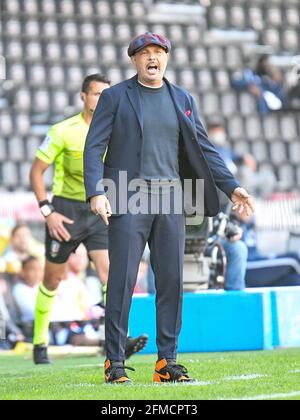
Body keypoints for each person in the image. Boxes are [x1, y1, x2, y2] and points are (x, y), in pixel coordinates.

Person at [84, 32, 254, 384]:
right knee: (123, 280)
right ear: (133, 60)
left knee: (172, 281)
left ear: (167, 59)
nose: (152, 57)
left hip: (171, 197)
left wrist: (232, 186)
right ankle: (114, 362)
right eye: (144, 52)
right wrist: (95, 192)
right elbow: (94, 145)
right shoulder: (115, 97)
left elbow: (205, 148)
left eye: (158, 52)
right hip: (127, 194)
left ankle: (166, 362)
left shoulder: (182, 98)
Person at [30, 74, 112, 364]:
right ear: (83, 97)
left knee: (109, 274)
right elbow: (36, 172)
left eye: (106, 94)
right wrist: (47, 211)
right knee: (53, 278)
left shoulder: (115, 131)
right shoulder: (63, 130)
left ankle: (113, 341)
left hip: (97, 208)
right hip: (65, 212)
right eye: (96, 94)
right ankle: (39, 342)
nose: (100, 100)